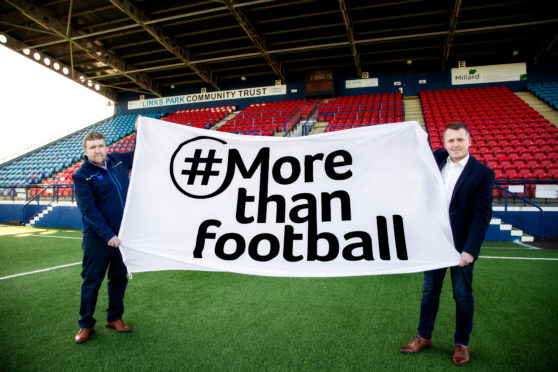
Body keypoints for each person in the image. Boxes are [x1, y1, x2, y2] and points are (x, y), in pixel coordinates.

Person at [400, 121, 494, 366]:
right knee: (429, 292)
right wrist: (416, 133)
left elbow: (482, 215)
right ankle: (424, 336)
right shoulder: (439, 157)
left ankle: (462, 343)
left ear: (469, 141)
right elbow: (420, 153)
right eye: (450, 140)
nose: (455, 144)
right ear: (445, 143)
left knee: (462, 296)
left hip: (461, 247)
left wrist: (470, 250)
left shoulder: (483, 174)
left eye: (460, 139)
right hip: (435, 243)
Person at [72, 131, 134, 344]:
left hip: (122, 235)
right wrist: (108, 235)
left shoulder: (117, 159)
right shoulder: (81, 175)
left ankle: (114, 318)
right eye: (93, 147)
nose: (98, 150)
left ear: (106, 146)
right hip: (98, 238)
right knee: (92, 281)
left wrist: (143, 129)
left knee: (118, 277)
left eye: (101, 145)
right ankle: (85, 324)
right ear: (86, 151)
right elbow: (89, 211)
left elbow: (142, 152)